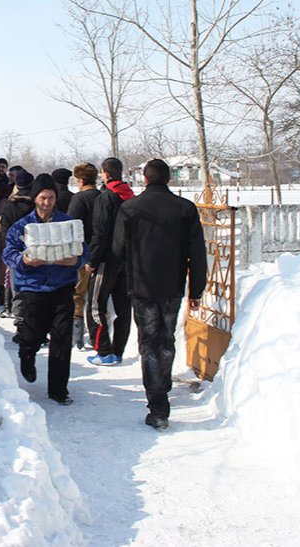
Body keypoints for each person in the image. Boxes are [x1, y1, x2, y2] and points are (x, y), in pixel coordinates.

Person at [112, 158, 207, 430]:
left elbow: (117, 249)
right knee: (165, 339)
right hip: (173, 285)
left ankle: (158, 405)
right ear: (168, 178)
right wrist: (196, 289)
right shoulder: (185, 209)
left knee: (149, 343)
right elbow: (197, 253)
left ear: (145, 178)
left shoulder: (130, 208)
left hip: (141, 284)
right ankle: (161, 383)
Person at [2, 173, 87, 405]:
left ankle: (59, 389)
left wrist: (76, 261)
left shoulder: (67, 224)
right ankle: (27, 355)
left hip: (61, 287)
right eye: (42, 198)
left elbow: (82, 250)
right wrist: (24, 261)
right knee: (32, 335)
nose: (47, 203)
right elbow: (8, 253)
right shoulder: (23, 226)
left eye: (50, 198)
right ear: (34, 198)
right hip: (33, 288)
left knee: (61, 339)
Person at [85, 157, 135, 366]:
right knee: (123, 308)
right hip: (127, 260)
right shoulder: (131, 197)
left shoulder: (106, 198)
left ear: (105, 173)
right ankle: (118, 350)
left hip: (106, 259)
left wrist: (92, 260)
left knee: (95, 306)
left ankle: (103, 351)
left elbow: (100, 232)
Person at [66, 162, 100, 350]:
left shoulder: (79, 199)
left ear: (80, 179)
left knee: (78, 294)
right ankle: (95, 336)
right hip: (101, 252)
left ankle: (76, 337)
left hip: (82, 252)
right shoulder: (103, 197)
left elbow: (72, 226)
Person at [0, 169, 34, 319]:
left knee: (14, 285)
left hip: (14, 252)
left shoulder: (8, 206)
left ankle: (16, 317)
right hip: (34, 251)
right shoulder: (35, 206)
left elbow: (4, 230)